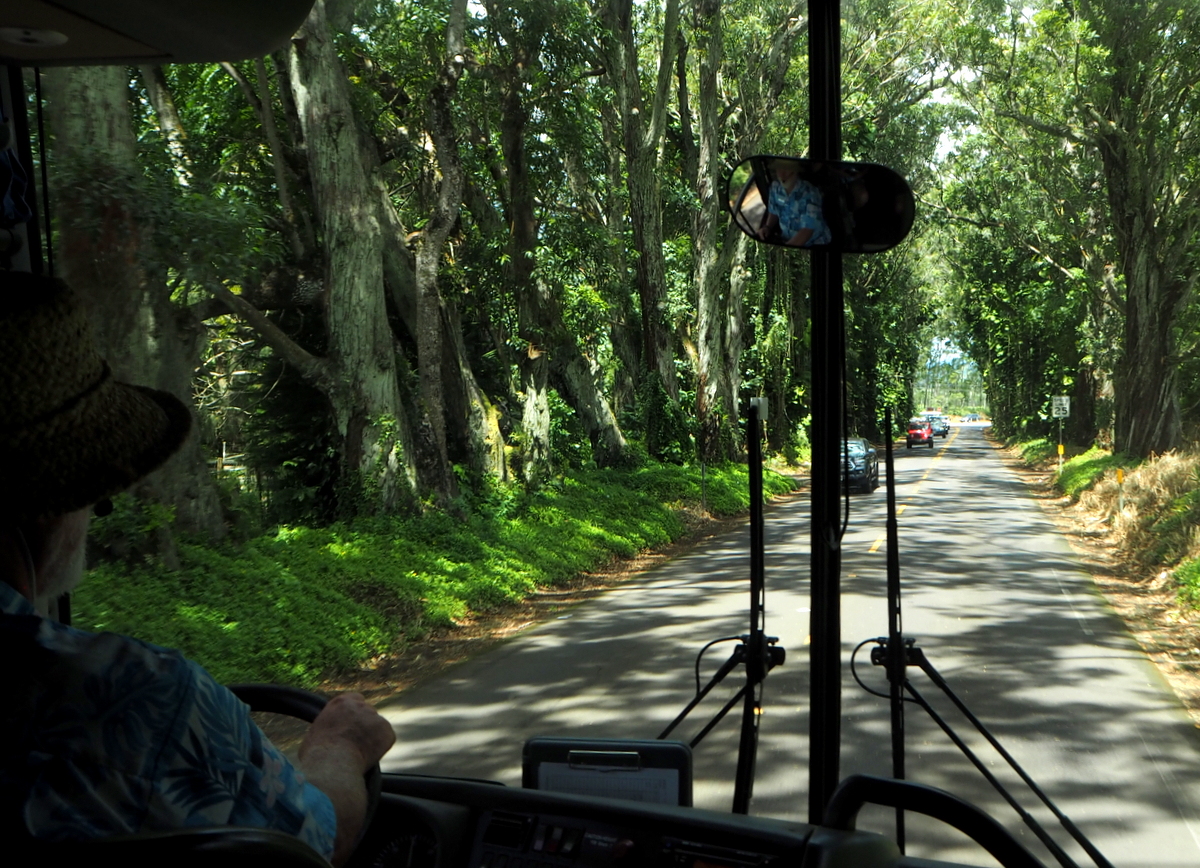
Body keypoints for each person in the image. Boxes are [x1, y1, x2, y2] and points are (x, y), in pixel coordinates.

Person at [0, 271, 395, 865]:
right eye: (96, 490)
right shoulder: (132, 697)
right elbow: (311, 843)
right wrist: (339, 747)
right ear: (57, 496)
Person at [756, 159, 832, 248]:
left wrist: (786, 249)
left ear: (795, 171)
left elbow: (807, 230)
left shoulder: (810, 193)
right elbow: (774, 211)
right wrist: (767, 227)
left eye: (786, 169)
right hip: (786, 240)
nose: (781, 174)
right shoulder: (775, 187)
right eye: (778, 169)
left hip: (814, 243)